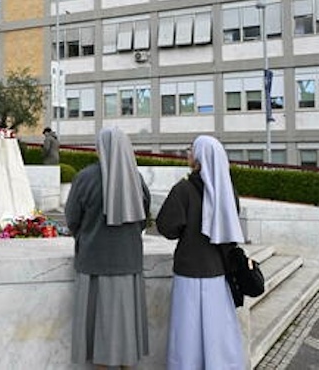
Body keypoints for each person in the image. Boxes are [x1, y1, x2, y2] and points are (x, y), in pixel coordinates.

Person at [156, 135, 247, 369]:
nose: (188, 154)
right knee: (218, 332)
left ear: (199, 158)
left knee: (187, 333)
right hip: (218, 271)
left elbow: (166, 227)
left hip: (189, 269)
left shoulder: (184, 189)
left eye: (191, 150)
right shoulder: (227, 191)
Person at [65, 127, 151, 368]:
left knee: (98, 331)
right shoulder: (136, 179)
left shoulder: (85, 177)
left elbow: (72, 219)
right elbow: (144, 217)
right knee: (127, 328)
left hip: (93, 264)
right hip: (129, 263)